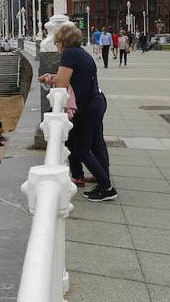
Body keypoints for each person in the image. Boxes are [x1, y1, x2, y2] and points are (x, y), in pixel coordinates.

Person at [40, 24, 116, 201]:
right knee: (97, 144)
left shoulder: (69, 53)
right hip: (96, 101)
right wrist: (54, 77)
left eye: (57, 42)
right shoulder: (81, 52)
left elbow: (62, 84)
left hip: (88, 106)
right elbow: (73, 78)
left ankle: (107, 187)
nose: (57, 47)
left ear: (63, 42)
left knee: (80, 148)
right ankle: (101, 178)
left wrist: (49, 80)